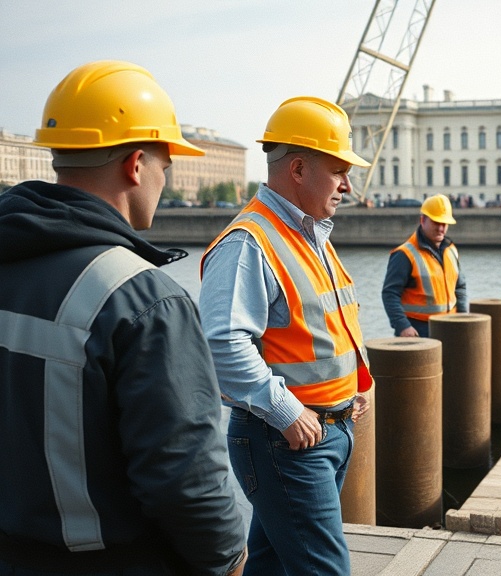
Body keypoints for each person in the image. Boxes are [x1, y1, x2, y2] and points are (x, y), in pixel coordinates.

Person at [0, 61, 247, 575]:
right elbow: (185, 479)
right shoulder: (143, 299)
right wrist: (230, 559)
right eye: (167, 163)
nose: (165, 177)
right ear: (137, 164)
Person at [199, 96, 374, 576]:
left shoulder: (309, 234)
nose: (347, 184)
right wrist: (287, 411)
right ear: (298, 168)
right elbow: (221, 342)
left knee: (272, 564)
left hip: (322, 432)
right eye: (339, 170)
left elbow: (325, 323)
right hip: (287, 440)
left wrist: (354, 384)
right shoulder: (249, 241)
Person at [382, 194, 468, 336]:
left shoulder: (451, 250)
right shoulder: (404, 254)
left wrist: (463, 315)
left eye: (444, 224)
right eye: (436, 222)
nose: (441, 228)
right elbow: (390, 294)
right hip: (418, 331)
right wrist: (403, 326)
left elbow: (460, 287)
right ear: (423, 220)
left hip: (451, 327)